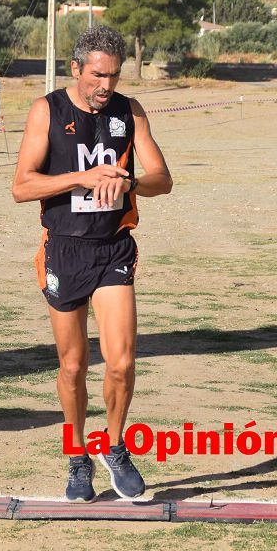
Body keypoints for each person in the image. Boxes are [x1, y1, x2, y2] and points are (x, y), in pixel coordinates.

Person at [12, 25, 173, 503]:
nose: (106, 85)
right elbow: (22, 186)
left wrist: (130, 185)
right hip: (64, 249)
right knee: (74, 365)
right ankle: (77, 456)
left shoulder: (130, 111)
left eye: (114, 76)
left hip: (112, 248)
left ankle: (116, 447)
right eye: (97, 76)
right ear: (76, 69)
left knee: (121, 363)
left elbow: (163, 178)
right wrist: (81, 178)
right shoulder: (47, 110)